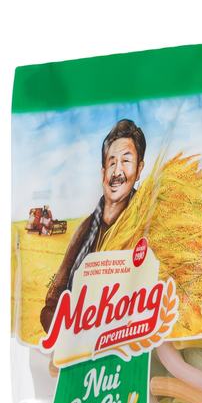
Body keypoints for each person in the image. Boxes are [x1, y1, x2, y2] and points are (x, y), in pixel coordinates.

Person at [39, 119, 146, 333]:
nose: (117, 172)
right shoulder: (86, 229)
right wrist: (70, 332)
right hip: (81, 341)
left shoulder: (146, 222)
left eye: (126, 161)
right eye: (112, 162)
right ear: (102, 172)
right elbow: (52, 304)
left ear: (139, 169)